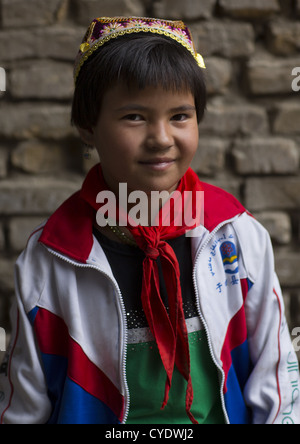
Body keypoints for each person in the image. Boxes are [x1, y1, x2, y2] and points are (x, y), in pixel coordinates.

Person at [0, 16, 299, 425]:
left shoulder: (235, 234)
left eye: (180, 116)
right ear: (89, 126)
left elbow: (277, 380)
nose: (161, 137)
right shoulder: (50, 259)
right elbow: (24, 410)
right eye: (135, 117)